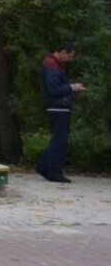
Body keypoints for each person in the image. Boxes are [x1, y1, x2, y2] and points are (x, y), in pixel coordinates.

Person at [36, 43, 85, 184]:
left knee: (59, 140)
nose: (70, 59)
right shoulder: (51, 65)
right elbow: (54, 89)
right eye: (70, 56)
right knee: (59, 141)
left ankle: (44, 166)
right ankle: (54, 172)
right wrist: (72, 87)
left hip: (60, 107)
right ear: (63, 52)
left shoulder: (55, 65)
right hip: (57, 107)